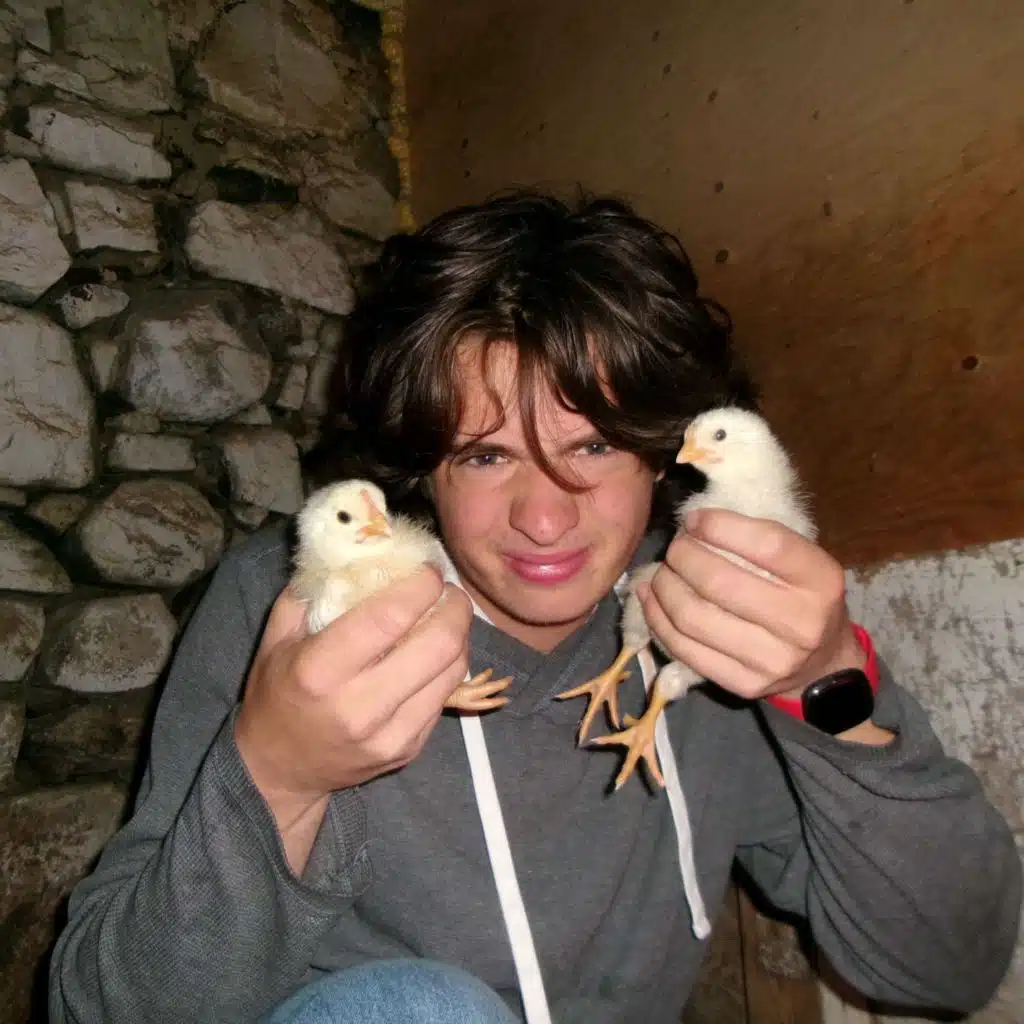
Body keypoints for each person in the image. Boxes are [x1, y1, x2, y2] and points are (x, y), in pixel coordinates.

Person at [50, 193, 1020, 1024]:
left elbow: (947, 966)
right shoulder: (299, 604)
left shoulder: (708, 616)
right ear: (423, 462)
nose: (545, 518)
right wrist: (278, 777)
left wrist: (828, 684)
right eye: (486, 455)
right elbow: (106, 1008)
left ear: (661, 450)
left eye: (592, 446)